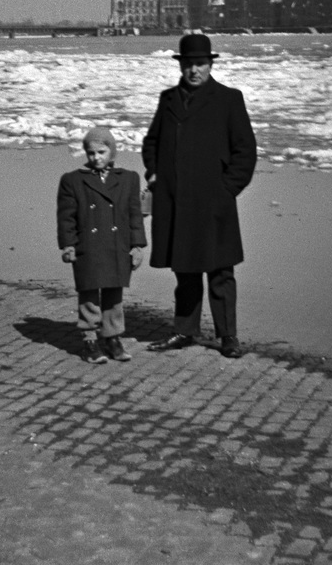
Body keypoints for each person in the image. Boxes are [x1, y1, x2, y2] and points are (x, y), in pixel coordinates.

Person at [142, 33, 257, 358]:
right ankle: (185, 331)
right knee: (185, 270)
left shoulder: (228, 99)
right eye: (189, 64)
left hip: (213, 203)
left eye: (200, 64)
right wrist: (153, 173)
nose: (195, 70)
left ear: (210, 65)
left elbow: (245, 151)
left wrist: (227, 190)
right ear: (182, 65)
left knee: (221, 272)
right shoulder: (168, 99)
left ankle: (228, 337)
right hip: (177, 202)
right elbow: (151, 142)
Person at [56, 126, 146, 364]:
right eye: (91, 152)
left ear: (112, 151)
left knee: (114, 293)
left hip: (117, 245)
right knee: (89, 294)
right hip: (88, 246)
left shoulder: (129, 179)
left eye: (101, 151)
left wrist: (137, 246)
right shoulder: (73, 181)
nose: (96, 157)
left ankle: (113, 337)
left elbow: (134, 215)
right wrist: (68, 245)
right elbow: (66, 217)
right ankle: (89, 339)